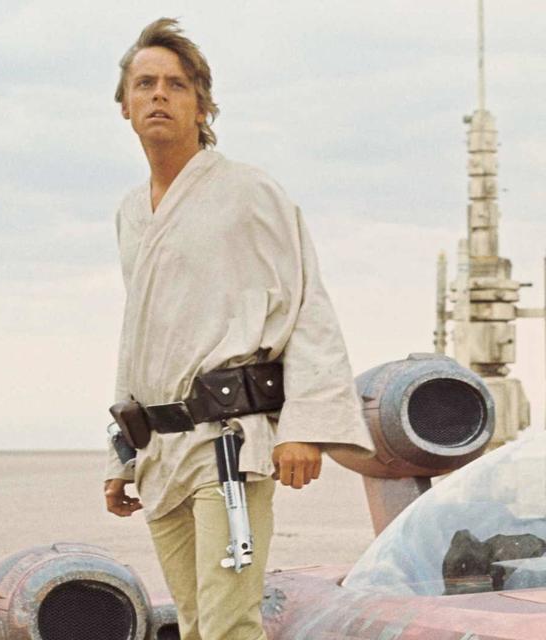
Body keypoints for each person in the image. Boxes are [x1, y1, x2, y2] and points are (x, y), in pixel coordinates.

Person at [103, 18, 374, 640]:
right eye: (145, 84)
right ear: (125, 106)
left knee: (229, 623)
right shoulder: (131, 211)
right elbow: (140, 334)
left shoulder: (248, 192)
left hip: (229, 445)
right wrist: (121, 454)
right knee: (196, 625)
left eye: (176, 84)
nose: (159, 95)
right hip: (161, 449)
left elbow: (307, 303)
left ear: (202, 105)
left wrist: (304, 427)